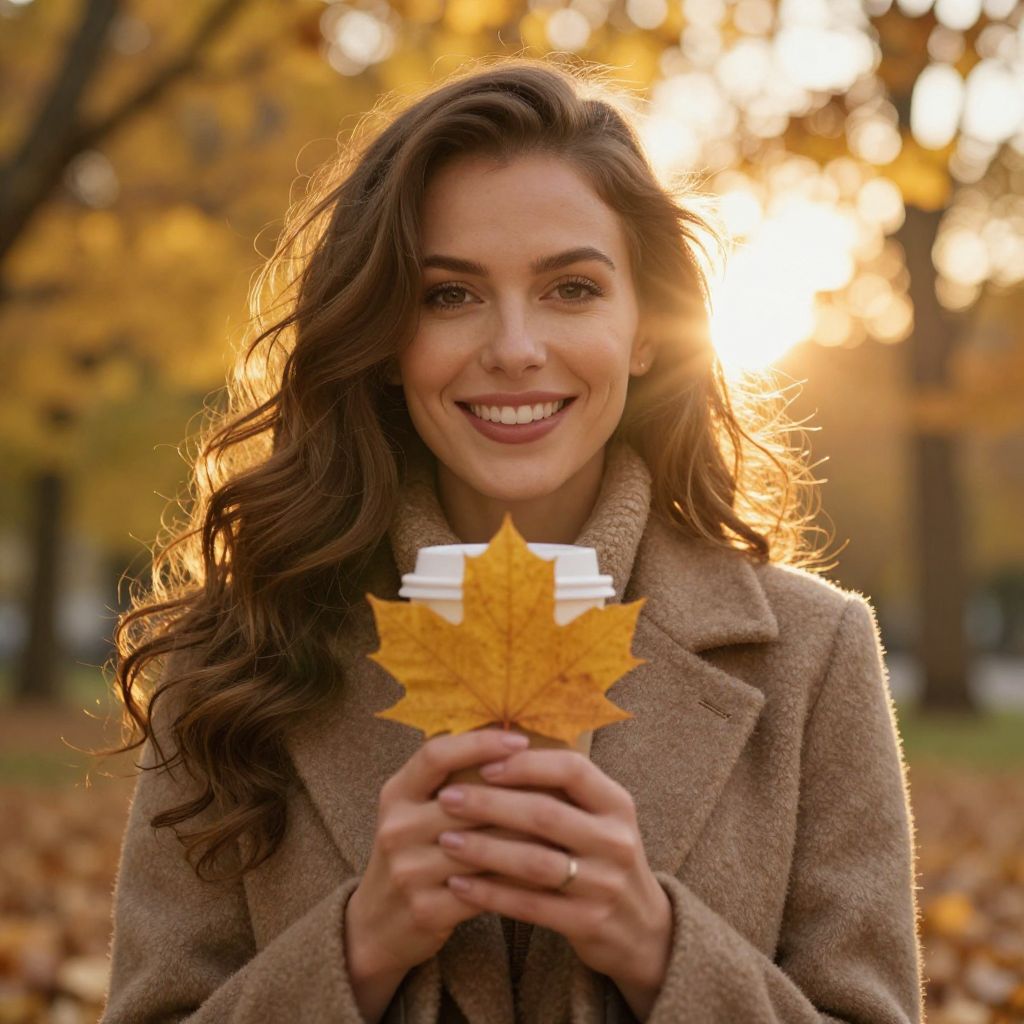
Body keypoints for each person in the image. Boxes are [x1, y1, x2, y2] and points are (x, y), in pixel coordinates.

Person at [100, 56, 924, 1023]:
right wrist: (359, 946)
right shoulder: (237, 653)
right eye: (450, 295)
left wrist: (657, 946)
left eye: (572, 289)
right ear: (385, 337)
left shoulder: (813, 655)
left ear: (646, 328)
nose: (515, 347)